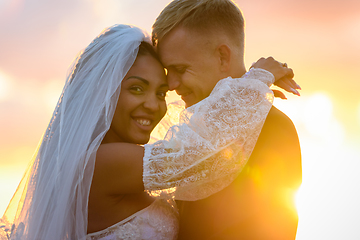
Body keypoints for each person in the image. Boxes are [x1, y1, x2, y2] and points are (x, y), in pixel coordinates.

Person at [1, 24, 295, 240]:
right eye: (137, 88)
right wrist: (255, 80)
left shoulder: (111, 160)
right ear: (103, 93)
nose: (153, 105)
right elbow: (192, 155)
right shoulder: (101, 162)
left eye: (161, 93)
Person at [151, 0, 302, 239]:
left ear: (223, 57)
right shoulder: (194, 127)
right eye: (169, 72)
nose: (171, 85)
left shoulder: (272, 127)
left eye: (180, 69)